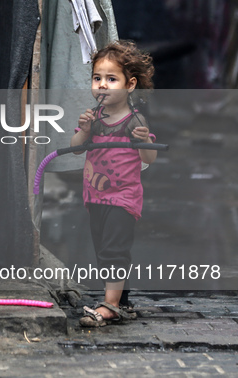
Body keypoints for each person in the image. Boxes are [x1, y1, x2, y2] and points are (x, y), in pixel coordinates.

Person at [71, 40, 157, 326]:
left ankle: (109, 306)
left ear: (129, 85)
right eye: (97, 78)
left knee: (113, 250)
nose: (102, 85)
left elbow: (150, 158)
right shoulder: (93, 118)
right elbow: (76, 148)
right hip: (95, 197)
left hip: (123, 198)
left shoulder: (134, 121)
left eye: (111, 79)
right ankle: (124, 301)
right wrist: (83, 132)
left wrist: (144, 141)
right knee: (104, 250)